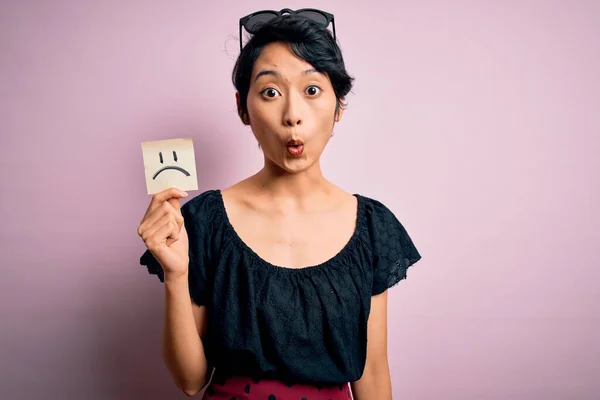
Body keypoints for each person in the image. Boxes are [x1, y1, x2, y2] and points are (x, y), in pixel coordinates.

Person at [137, 9, 422, 400]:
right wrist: (176, 276)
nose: (292, 116)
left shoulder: (371, 226)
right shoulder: (203, 220)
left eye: (312, 90)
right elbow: (190, 381)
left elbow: (372, 375)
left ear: (339, 106)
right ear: (243, 108)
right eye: (270, 92)